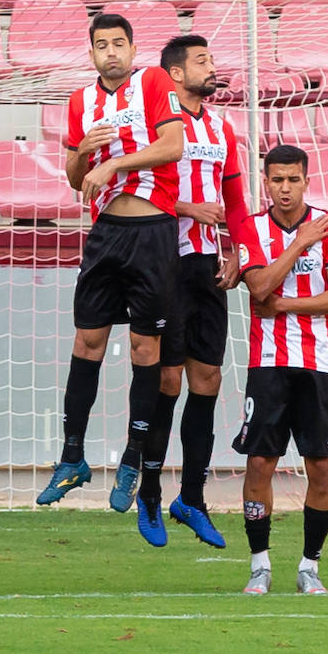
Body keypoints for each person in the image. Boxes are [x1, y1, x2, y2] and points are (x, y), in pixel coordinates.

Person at [37, 12, 185, 513]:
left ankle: (133, 457)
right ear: (93, 52)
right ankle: (72, 456)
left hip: (152, 232)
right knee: (88, 339)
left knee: (146, 347)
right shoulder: (82, 101)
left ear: (131, 47)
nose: (111, 53)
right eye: (102, 45)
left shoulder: (154, 81)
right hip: (106, 234)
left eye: (119, 43)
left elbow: (174, 144)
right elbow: (76, 179)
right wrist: (83, 154)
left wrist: (115, 161)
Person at [137, 34, 250, 549]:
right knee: (168, 380)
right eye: (202, 60)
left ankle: (193, 498)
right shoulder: (157, 126)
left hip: (209, 267)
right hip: (164, 261)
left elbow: (236, 204)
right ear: (176, 74)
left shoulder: (223, 128)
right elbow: (136, 190)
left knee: (207, 378)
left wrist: (239, 253)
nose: (212, 67)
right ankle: (149, 492)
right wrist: (186, 210)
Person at [231, 145, 328, 596]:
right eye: (277, 180)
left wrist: (282, 304)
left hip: (322, 364)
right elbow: (257, 285)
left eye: (294, 180)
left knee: (320, 466)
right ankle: (260, 565)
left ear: (306, 180)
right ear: (265, 182)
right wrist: (301, 245)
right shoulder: (250, 227)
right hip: (268, 364)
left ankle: (309, 567)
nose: (285, 189)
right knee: (260, 462)